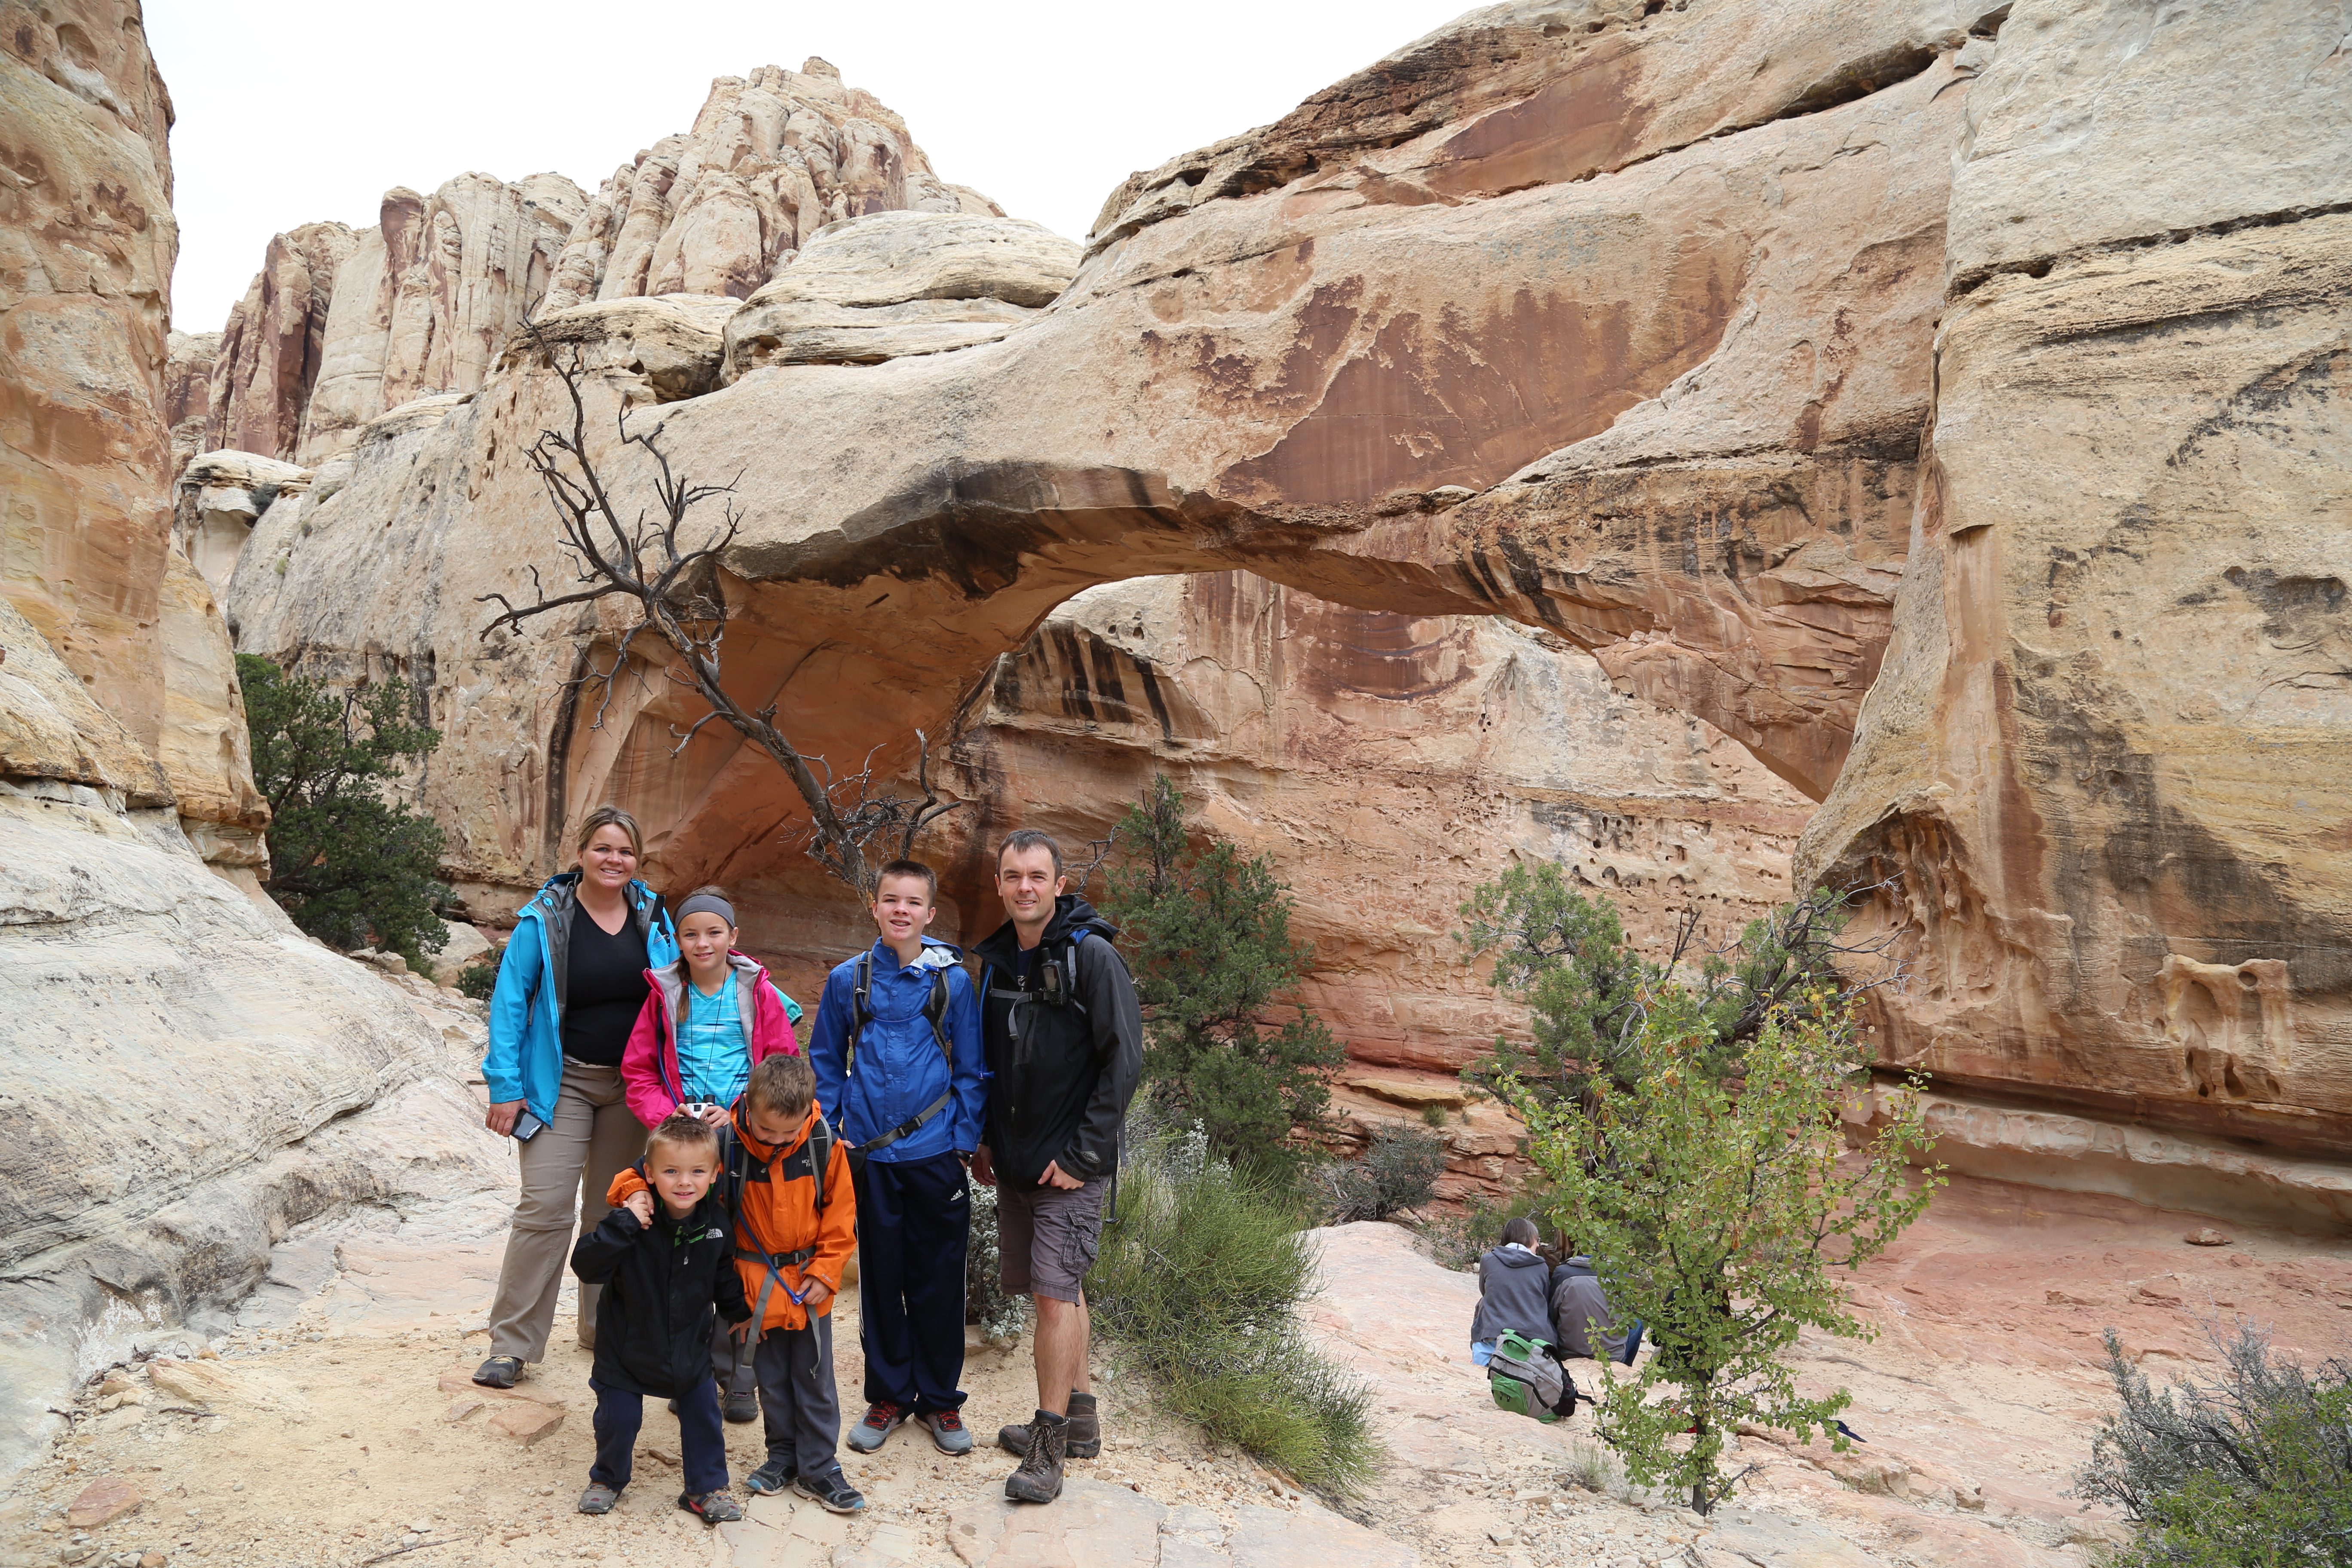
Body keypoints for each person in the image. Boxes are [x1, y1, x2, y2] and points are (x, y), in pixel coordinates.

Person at [475, 805, 681, 1390]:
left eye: (625, 851)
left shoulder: (652, 918)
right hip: (558, 1082)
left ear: (636, 860)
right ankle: (512, 1344)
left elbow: (681, 994)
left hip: (632, 1088)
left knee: (615, 1209)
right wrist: (506, 1087)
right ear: (582, 853)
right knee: (545, 1208)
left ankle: (602, 1329)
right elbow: (511, 1003)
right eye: (603, 848)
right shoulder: (546, 918)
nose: (614, 860)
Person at [970, 830, 1143, 1505]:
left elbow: (1123, 1062)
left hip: (1068, 1166)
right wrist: (986, 1139)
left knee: (1052, 1293)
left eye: (1037, 877)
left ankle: (1048, 1449)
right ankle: (1082, 1419)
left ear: (1059, 884)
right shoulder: (1002, 963)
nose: (1025, 888)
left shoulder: (1092, 957)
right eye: (1013, 876)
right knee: (1063, 1290)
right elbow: (993, 1065)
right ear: (1000, 885)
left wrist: (1083, 1155)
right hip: (1016, 1163)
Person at [808, 860, 986, 1458]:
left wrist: (964, 1138)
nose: (901, 911)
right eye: (891, 900)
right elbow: (828, 1060)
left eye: (914, 902)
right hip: (871, 1158)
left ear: (930, 913)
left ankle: (939, 1401)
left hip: (935, 1153)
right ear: (875, 907)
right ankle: (888, 1398)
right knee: (882, 1280)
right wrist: (833, 1131)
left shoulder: (953, 981)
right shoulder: (848, 981)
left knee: (937, 1279)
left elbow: (972, 1068)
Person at [619, 885, 802, 1422]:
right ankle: (689, 1371)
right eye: (691, 934)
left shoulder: (757, 994)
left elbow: (781, 1065)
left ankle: (740, 1376)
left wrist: (743, 1109)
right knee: (684, 1255)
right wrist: (668, 1118)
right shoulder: (663, 995)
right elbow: (639, 1073)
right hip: (682, 1144)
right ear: (677, 940)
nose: (703, 943)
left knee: (739, 1252)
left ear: (733, 937)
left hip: (743, 1140)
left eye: (714, 932)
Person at [569, 1112, 749, 1524]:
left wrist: (738, 1311)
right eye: (671, 1171)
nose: (684, 1182)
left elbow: (724, 1275)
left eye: (697, 1172)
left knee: (703, 1415)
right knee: (620, 1419)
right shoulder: (632, 1221)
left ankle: (705, 1489)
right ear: (648, 1174)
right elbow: (587, 1267)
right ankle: (608, 1478)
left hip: (688, 1348)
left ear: (715, 1174)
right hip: (626, 1349)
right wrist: (624, 1224)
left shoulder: (716, 1224)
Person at [1469, 1216, 1556, 1366]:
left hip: (1494, 1332)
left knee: (1484, 1303)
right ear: (1529, 1239)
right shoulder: (1541, 1266)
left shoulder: (1488, 1260)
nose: (1539, 1245)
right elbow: (1544, 1298)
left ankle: (1482, 1359)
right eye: (1537, 1240)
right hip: (1532, 1337)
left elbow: (1485, 1291)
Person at [1549, 1251, 1638, 1364]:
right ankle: (1626, 1367)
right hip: (1612, 1356)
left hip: (1568, 1353)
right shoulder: (1621, 1275)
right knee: (1638, 1323)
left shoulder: (1562, 1273)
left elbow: (1551, 1316)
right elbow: (1630, 1319)